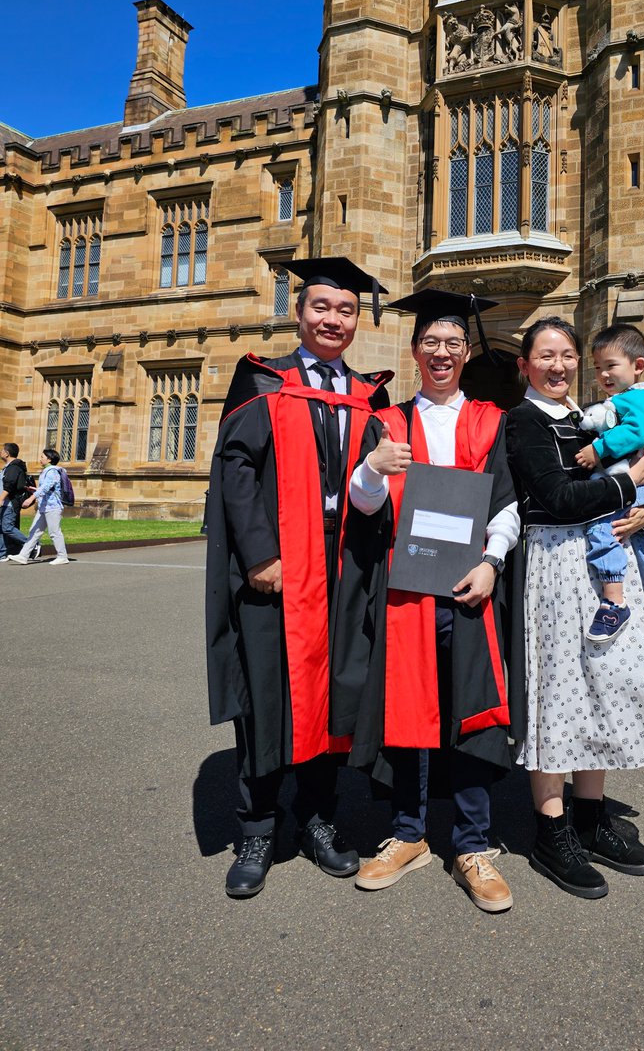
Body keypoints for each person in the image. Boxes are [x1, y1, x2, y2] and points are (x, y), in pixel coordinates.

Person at [205, 256, 393, 899]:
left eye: (345, 310)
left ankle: (317, 818)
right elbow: (234, 468)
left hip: (346, 572)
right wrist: (258, 555)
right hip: (279, 571)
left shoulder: (371, 393)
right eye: (321, 307)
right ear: (299, 311)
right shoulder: (263, 381)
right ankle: (255, 827)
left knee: (339, 690)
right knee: (266, 696)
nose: (333, 319)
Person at [339, 290, 523, 914]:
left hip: (470, 587)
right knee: (410, 709)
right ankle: (409, 834)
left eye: (452, 344)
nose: (441, 354)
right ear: (415, 351)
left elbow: (506, 506)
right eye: (430, 344)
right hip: (408, 593)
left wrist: (492, 563)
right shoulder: (386, 423)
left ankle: (472, 843)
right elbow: (362, 509)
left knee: (472, 709)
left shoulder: (491, 421)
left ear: (466, 353)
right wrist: (371, 468)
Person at [506, 316, 644, 900]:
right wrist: (631, 482)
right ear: (526, 365)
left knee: (605, 685)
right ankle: (550, 828)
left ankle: (589, 818)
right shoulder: (525, 422)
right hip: (557, 566)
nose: (559, 366)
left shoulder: (600, 413)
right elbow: (557, 497)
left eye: (567, 354)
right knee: (558, 690)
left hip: (608, 560)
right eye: (546, 356)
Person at [575, 323, 644, 645]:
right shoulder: (635, 398)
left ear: (637, 366)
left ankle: (613, 602)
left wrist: (597, 448)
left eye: (611, 366)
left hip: (638, 475)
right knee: (636, 539)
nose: (603, 375)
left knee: (602, 528)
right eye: (597, 368)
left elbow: (636, 434)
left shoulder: (636, 399)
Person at [8, 448, 70, 565]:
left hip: (52, 507)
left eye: (42, 457)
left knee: (54, 532)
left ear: (49, 459)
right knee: (34, 531)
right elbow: (48, 488)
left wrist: (31, 498)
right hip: (44, 507)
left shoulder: (52, 471)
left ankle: (62, 556)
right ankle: (23, 555)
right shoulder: (47, 471)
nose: (40, 459)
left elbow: (46, 487)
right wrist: (35, 490)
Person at [0, 442, 33, 561]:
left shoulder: (14, 467)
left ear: (7, 453)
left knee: (7, 527)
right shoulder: (9, 467)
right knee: (2, 528)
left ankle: (32, 544)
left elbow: (9, 485)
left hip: (9, 503)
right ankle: (2, 553)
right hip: (5, 503)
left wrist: (1, 499)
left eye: (2, 450)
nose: (1, 452)